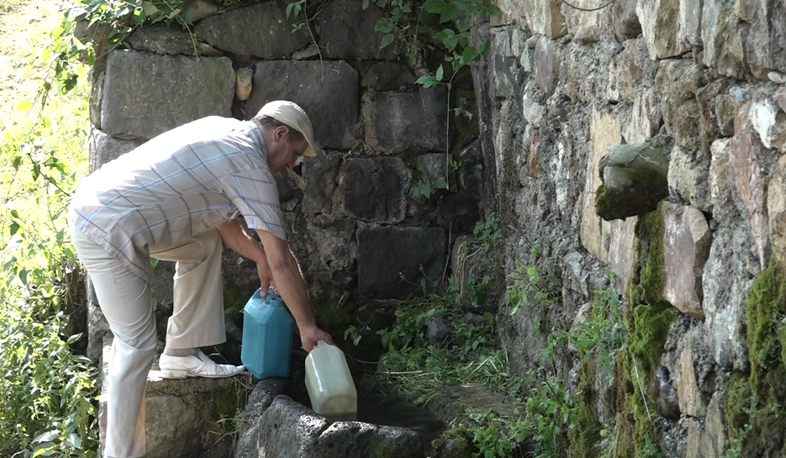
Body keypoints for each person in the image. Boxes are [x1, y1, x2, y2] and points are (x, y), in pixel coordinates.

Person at [67, 100, 333, 458]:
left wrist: (259, 258)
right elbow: (281, 260)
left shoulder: (224, 131)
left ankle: (182, 350)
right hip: (105, 225)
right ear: (280, 133)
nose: (291, 165)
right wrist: (306, 326)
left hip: (106, 209)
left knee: (203, 243)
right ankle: (120, 454)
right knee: (136, 345)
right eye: (295, 153)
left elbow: (223, 223)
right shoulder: (250, 164)